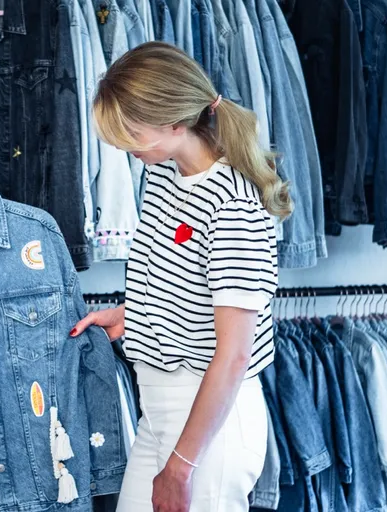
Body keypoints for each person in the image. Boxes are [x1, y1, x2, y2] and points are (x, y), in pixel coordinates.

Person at [71, 42, 290, 512]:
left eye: (129, 130)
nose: (119, 144)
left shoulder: (233, 207)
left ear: (174, 122)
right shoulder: (163, 176)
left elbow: (233, 356)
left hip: (207, 430)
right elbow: (187, 289)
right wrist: (134, 316)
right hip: (158, 409)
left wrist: (180, 466)